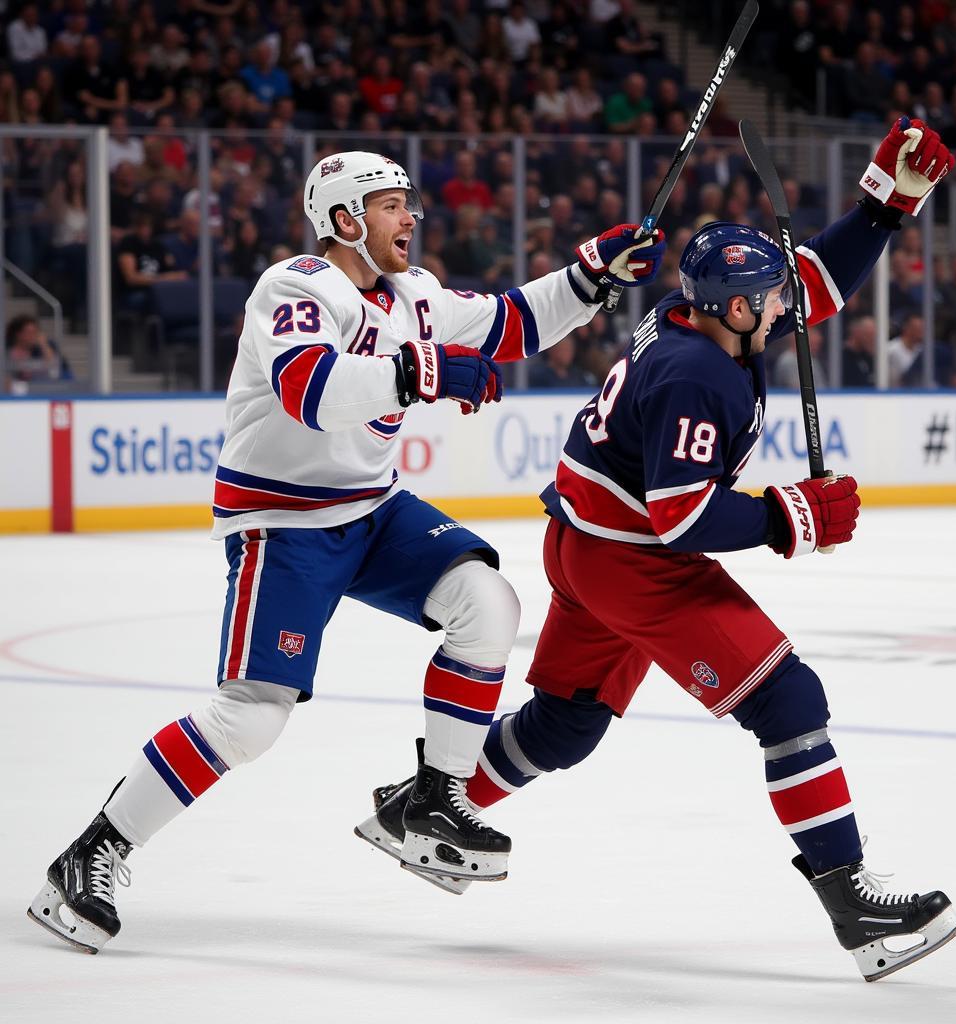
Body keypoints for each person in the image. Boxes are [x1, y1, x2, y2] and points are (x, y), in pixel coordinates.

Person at [360, 119, 956, 982]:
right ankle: (855, 906)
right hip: (631, 560)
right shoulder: (698, 374)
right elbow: (682, 520)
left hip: (582, 542)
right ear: (735, 307)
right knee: (789, 703)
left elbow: (816, 284)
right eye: (770, 297)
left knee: (567, 722)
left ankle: (424, 808)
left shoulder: (706, 322)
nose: (789, 307)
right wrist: (790, 516)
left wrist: (885, 204)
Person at [27, 150, 666, 952]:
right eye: (392, 205)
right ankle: (93, 853)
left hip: (372, 509)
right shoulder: (295, 287)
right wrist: (418, 370)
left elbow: (510, 324)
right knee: (252, 718)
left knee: (486, 603)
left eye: (409, 204)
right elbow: (310, 389)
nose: (411, 218)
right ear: (344, 220)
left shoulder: (413, 294)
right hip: (283, 521)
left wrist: (587, 276)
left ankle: (432, 799)